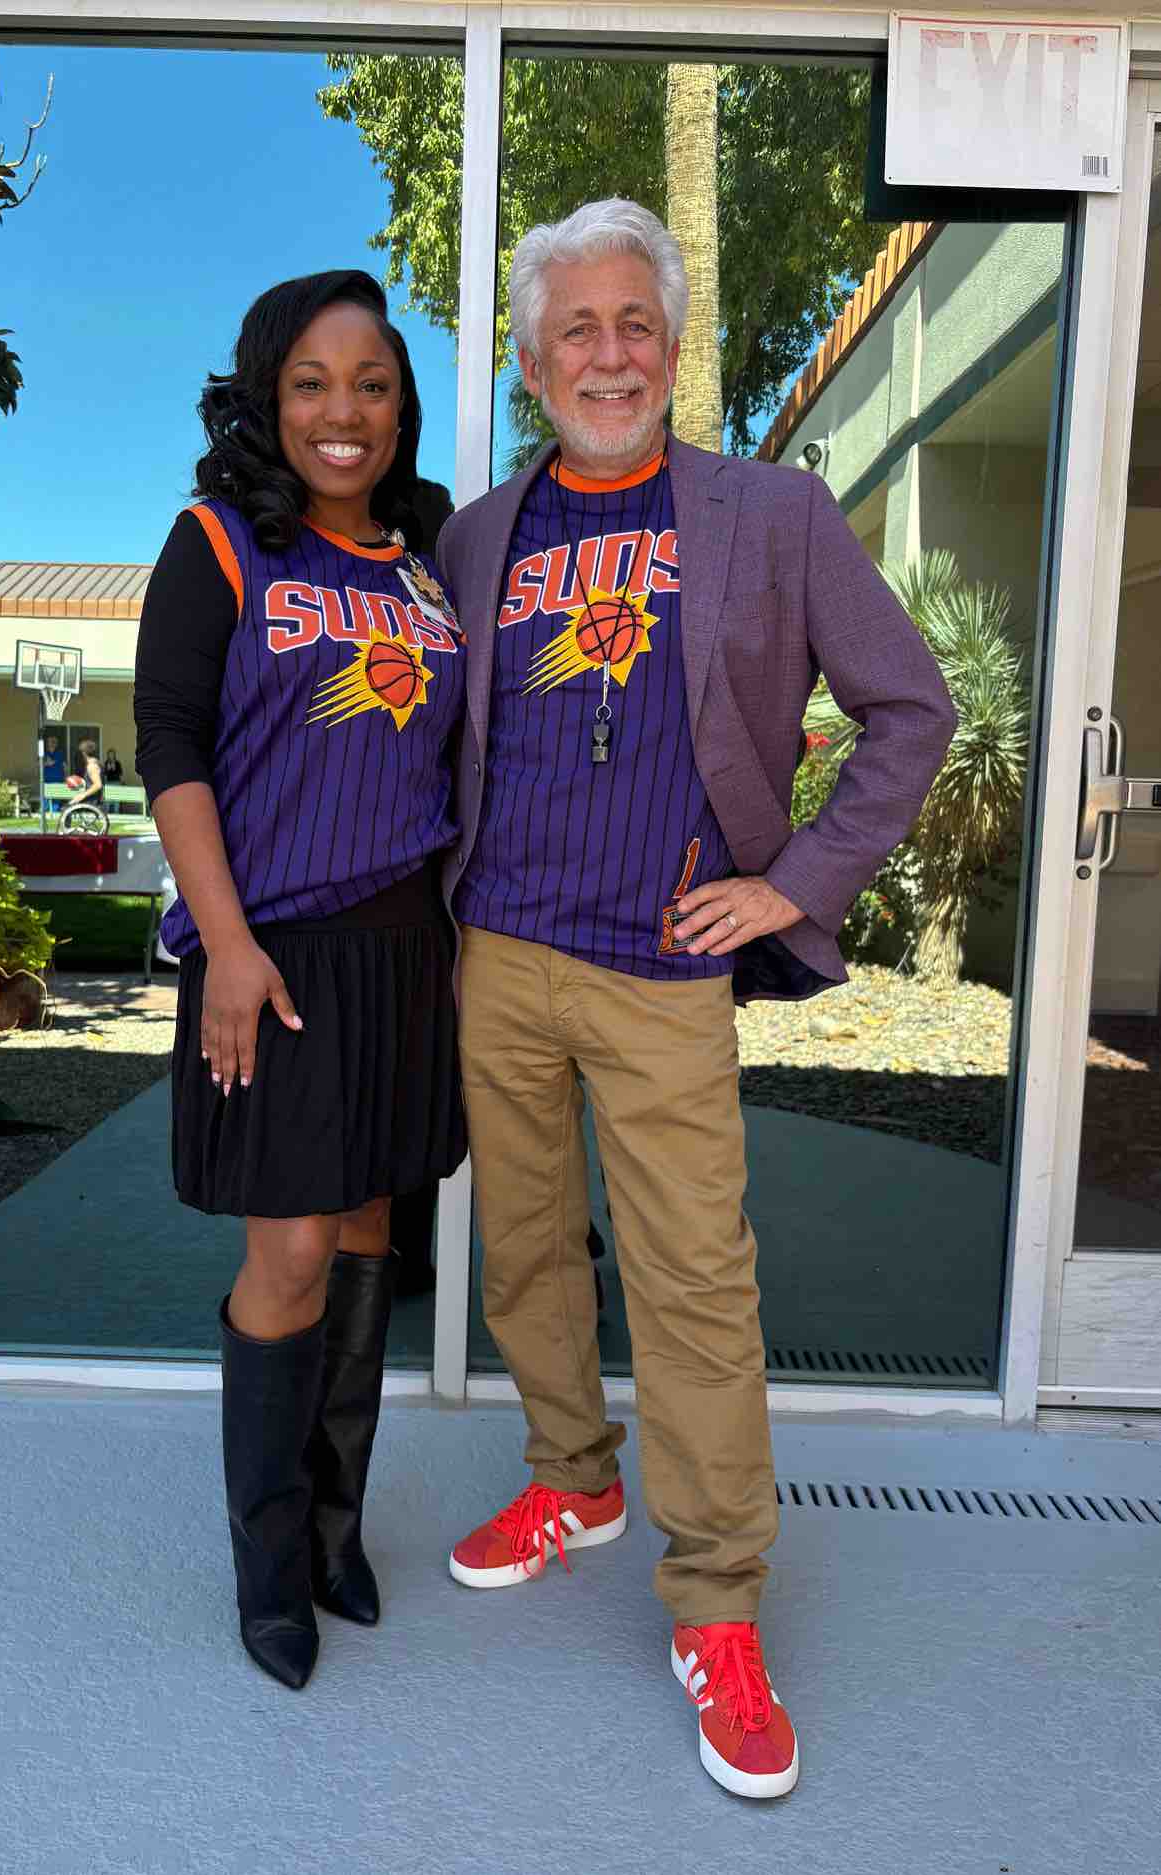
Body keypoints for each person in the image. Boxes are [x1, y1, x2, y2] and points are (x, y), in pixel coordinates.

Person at [437, 200, 956, 1801]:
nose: (607, 351)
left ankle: (718, 1600)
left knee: (691, 1287)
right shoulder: (476, 533)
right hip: (498, 954)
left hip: (664, 962)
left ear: (671, 346)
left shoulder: (769, 511)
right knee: (522, 1248)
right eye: (574, 328)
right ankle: (568, 1479)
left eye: (633, 324)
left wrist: (795, 880)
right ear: (532, 364)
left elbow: (907, 709)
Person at [134, 269, 467, 1692]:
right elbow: (171, 741)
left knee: (372, 1229)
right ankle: (268, 1557)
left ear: (399, 403)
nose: (345, 411)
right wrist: (222, 939)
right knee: (286, 1248)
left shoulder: (430, 556)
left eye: (372, 382)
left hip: (408, 955)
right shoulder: (217, 542)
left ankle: (337, 1525)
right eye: (313, 382)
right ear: (272, 396)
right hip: (273, 951)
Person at [42, 733, 66, 815]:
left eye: (54, 742)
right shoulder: (44, 753)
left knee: (56, 798)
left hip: (58, 779)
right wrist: (47, 762)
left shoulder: (60, 753)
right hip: (47, 779)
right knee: (45, 797)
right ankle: (45, 813)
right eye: (50, 741)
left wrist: (66, 777)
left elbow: (62, 765)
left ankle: (55, 813)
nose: (52, 743)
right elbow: (40, 764)